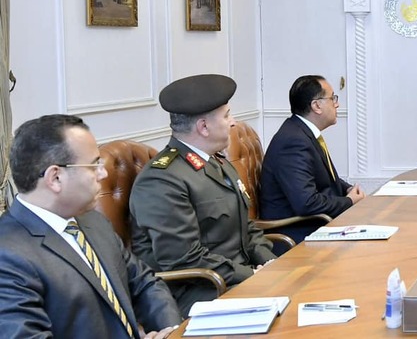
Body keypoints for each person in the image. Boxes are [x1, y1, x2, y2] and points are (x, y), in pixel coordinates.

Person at [0, 115, 179, 338]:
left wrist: (172, 332)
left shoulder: (92, 220)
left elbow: (144, 283)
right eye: (94, 165)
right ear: (55, 177)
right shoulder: (7, 256)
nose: (103, 173)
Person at [129, 74, 276, 316]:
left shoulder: (217, 162)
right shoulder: (162, 180)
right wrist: (251, 275)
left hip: (235, 279)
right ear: (204, 127)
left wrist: (271, 263)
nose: (233, 123)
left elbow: (246, 228)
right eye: (227, 115)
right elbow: (184, 260)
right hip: (198, 291)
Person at [259, 75, 365, 243]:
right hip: (297, 234)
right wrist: (349, 201)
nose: (337, 104)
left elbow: (325, 180)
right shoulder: (293, 141)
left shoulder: (301, 132)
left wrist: (348, 189)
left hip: (315, 224)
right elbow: (307, 203)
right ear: (316, 106)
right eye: (332, 98)